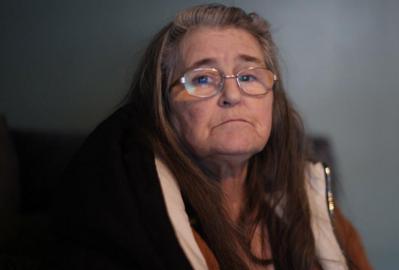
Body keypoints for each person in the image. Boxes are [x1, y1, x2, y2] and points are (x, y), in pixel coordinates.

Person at [50, 4, 371, 270]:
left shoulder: (307, 197)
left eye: (248, 76)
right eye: (202, 79)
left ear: (273, 101)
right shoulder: (131, 217)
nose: (232, 94)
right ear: (163, 108)